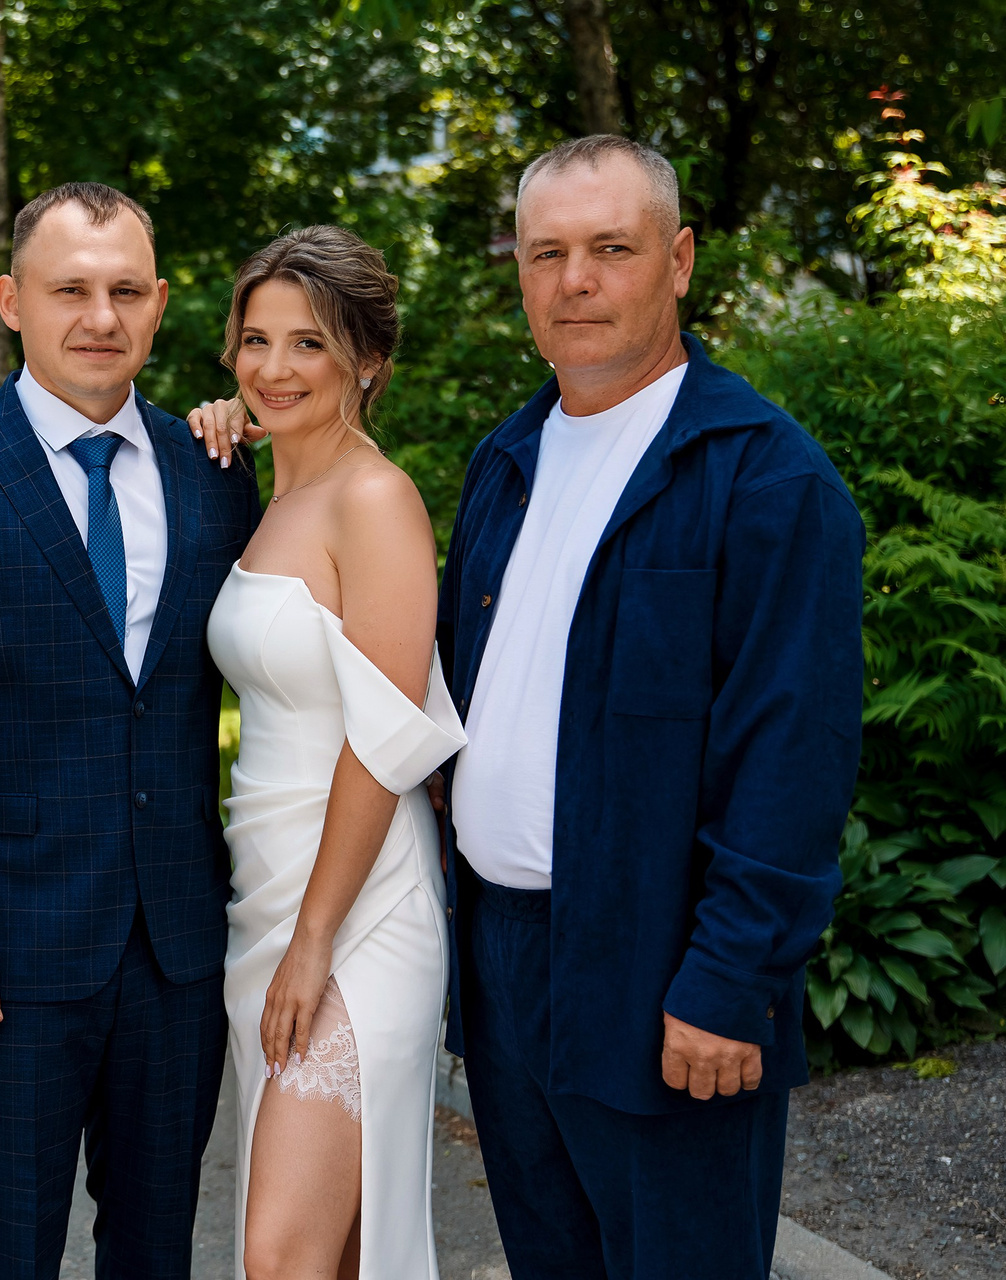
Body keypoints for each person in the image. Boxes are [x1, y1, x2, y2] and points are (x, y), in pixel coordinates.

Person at [200, 134, 864, 1279]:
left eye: (613, 249)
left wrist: (730, 981)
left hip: (660, 961)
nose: (576, 280)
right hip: (503, 961)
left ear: (680, 260)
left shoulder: (765, 477)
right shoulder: (506, 460)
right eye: (548, 252)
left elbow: (792, 759)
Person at [0, 182, 261, 1279]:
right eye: (69, 289)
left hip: (178, 949)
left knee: (157, 1251)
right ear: (11, 301)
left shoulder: (218, 470)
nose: (100, 316)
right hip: (6, 958)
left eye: (126, 290)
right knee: (5, 1255)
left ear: (160, 304)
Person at [195, 226, 466, 1280]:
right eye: (256, 340)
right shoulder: (266, 493)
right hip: (263, 892)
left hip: (358, 906)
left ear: (369, 361)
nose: (274, 367)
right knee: (329, 1252)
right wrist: (218, 424)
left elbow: (384, 739)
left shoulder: (375, 500)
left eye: (309, 343)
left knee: (280, 1255)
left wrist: (314, 941)